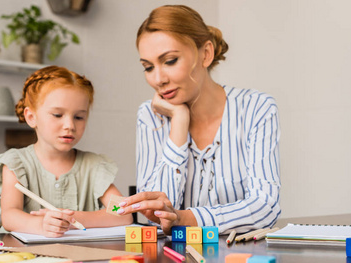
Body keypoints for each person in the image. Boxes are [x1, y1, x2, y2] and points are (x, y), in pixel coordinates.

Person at [117, 5, 281, 235]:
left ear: (206, 54)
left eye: (170, 61)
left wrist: (185, 218)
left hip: (242, 260)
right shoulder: (149, 115)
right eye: (148, 67)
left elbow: (266, 207)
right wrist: (179, 121)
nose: (158, 79)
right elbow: (154, 214)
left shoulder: (256, 108)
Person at [0, 66, 132, 237]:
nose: (70, 126)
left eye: (79, 117)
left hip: (79, 258)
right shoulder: (16, 164)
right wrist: (41, 225)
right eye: (57, 115)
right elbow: (10, 216)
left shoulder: (93, 166)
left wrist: (74, 219)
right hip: (26, 259)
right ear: (31, 117)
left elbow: (122, 211)